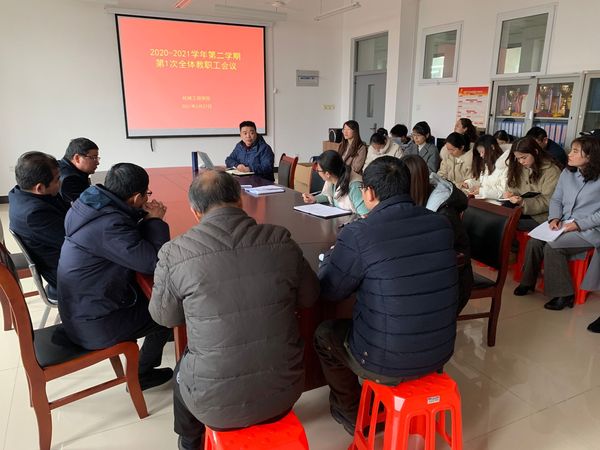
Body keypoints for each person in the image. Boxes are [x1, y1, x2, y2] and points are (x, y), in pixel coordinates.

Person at [148, 170, 320, 450]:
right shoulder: (280, 239)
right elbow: (310, 297)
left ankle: (189, 442)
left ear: (195, 212)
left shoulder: (175, 252)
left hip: (215, 407)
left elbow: (164, 317)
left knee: (183, 370)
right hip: (285, 392)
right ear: (240, 201)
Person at [314, 156, 458, 434]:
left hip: (385, 361)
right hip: (440, 351)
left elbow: (331, 290)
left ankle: (351, 411)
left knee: (325, 335)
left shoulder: (359, 233)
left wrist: (327, 260)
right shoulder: (440, 224)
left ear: (368, 193)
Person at [57, 163, 172, 390]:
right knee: (167, 312)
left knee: (157, 300)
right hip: (94, 323)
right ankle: (141, 374)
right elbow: (154, 263)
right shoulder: (110, 225)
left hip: (81, 307)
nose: (147, 199)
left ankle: (158, 340)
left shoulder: (88, 203)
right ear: (136, 197)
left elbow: (125, 238)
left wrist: (143, 216)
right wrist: (155, 221)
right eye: (146, 195)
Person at [513, 137, 600, 314]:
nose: (569, 154)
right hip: (564, 222)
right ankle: (527, 282)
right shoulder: (568, 173)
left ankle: (564, 294)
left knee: (553, 247)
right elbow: (556, 199)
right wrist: (554, 218)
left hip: (589, 229)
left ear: (590, 156)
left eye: (575, 151)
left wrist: (578, 225)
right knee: (535, 241)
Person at [403, 154, 473, 313]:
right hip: (433, 272)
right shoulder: (420, 199)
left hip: (454, 279)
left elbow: (438, 256)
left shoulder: (444, 213)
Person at [8, 152, 69, 300]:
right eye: (57, 179)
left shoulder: (20, 192)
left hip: (62, 257)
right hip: (65, 275)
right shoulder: (35, 214)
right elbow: (74, 241)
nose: (60, 182)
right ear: (40, 187)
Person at [502, 136, 561, 231]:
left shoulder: (552, 171)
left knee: (507, 223)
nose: (521, 161)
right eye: (518, 158)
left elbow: (549, 201)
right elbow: (512, 186)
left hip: (541, 216)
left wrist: (523, 202)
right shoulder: (520, 166)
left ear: (535, 152)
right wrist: (510, 194)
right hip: (520, 209)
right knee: (500, 215)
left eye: (524, 157)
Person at [301, 150, 369, 216]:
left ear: (327, 174)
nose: (317, 172)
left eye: (318, 170)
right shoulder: (333, 178)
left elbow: (365, 215)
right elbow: (329, 196)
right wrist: (314, 198)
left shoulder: (355, 187)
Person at [462, 134, 509, 199]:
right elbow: (483, 184)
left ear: (492, 147)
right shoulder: (487, 165)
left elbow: (504, 192)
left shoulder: (505, 165)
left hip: (496, 203)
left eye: (482, 152)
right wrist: (469, 183)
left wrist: (481, 191)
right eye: (479, 153)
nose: (481, 155)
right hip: (483, 200)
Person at [58, 137, 100, 203]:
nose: (97, 162)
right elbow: (90, 204)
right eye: (93, 158)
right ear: (77, 158)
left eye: (97, 158)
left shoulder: (60, 165)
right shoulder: (70, 179)